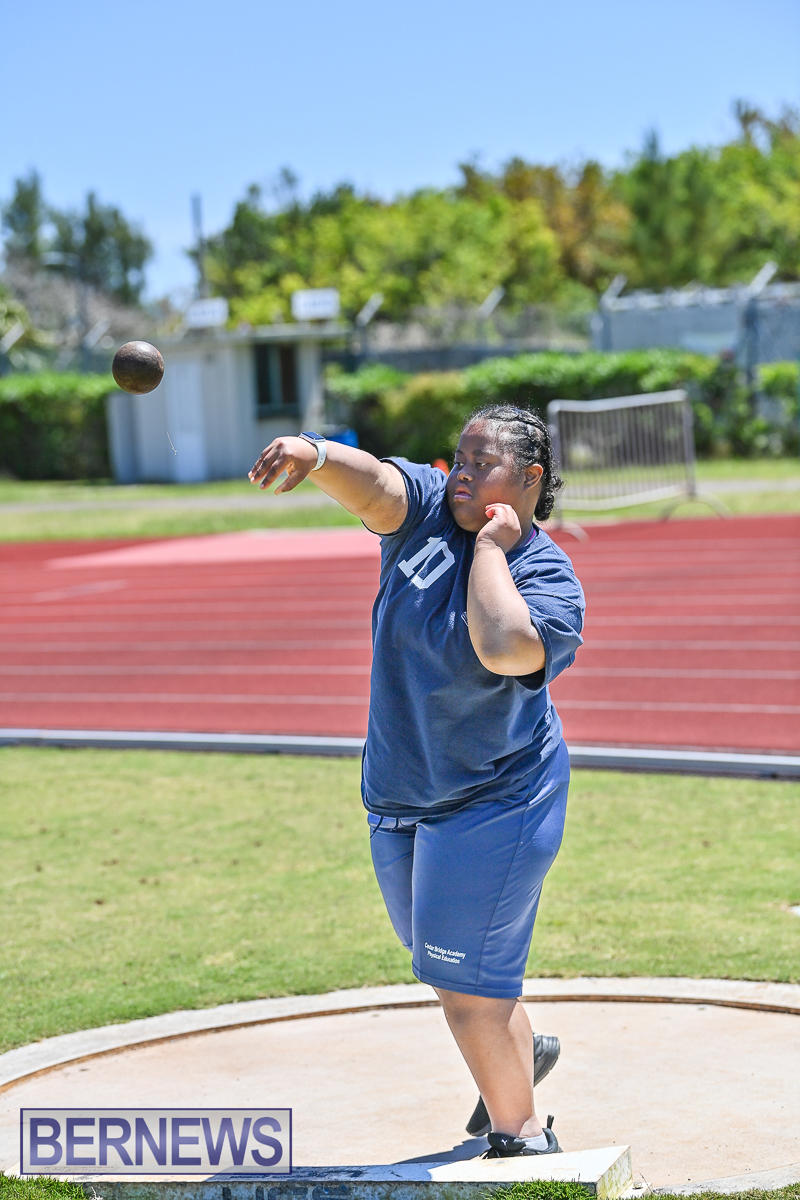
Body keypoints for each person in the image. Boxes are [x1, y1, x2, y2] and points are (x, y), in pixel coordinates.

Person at [249, 404, 585, 1159]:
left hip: (496, 798)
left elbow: (503, 648)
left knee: (467, 987)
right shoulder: (428, 509)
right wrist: (315, 452)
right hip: (400, 793)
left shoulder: (546, 576)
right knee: (448, 967)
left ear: (530, 479)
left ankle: (524, 1137)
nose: (461, 475)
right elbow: (375, 485)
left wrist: (491, 548)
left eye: (482, 464)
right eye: (458, 459)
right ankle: (517, 1052)